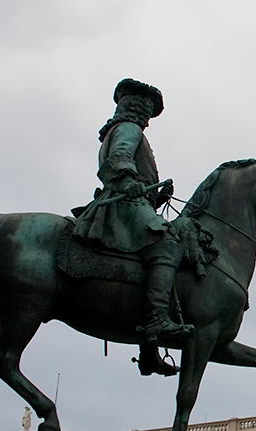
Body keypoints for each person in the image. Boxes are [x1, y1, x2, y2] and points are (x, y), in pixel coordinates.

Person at [73, 78, 194, 376]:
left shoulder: (120, 129)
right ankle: (157, 321)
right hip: (122, 206)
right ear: (134, 107)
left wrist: (156, 195)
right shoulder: (129, 129)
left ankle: (148, 352)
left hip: (131, 203)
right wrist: (128, 179)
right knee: (168, 241)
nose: (147, 119)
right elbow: (120, 157)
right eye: (145, 111)